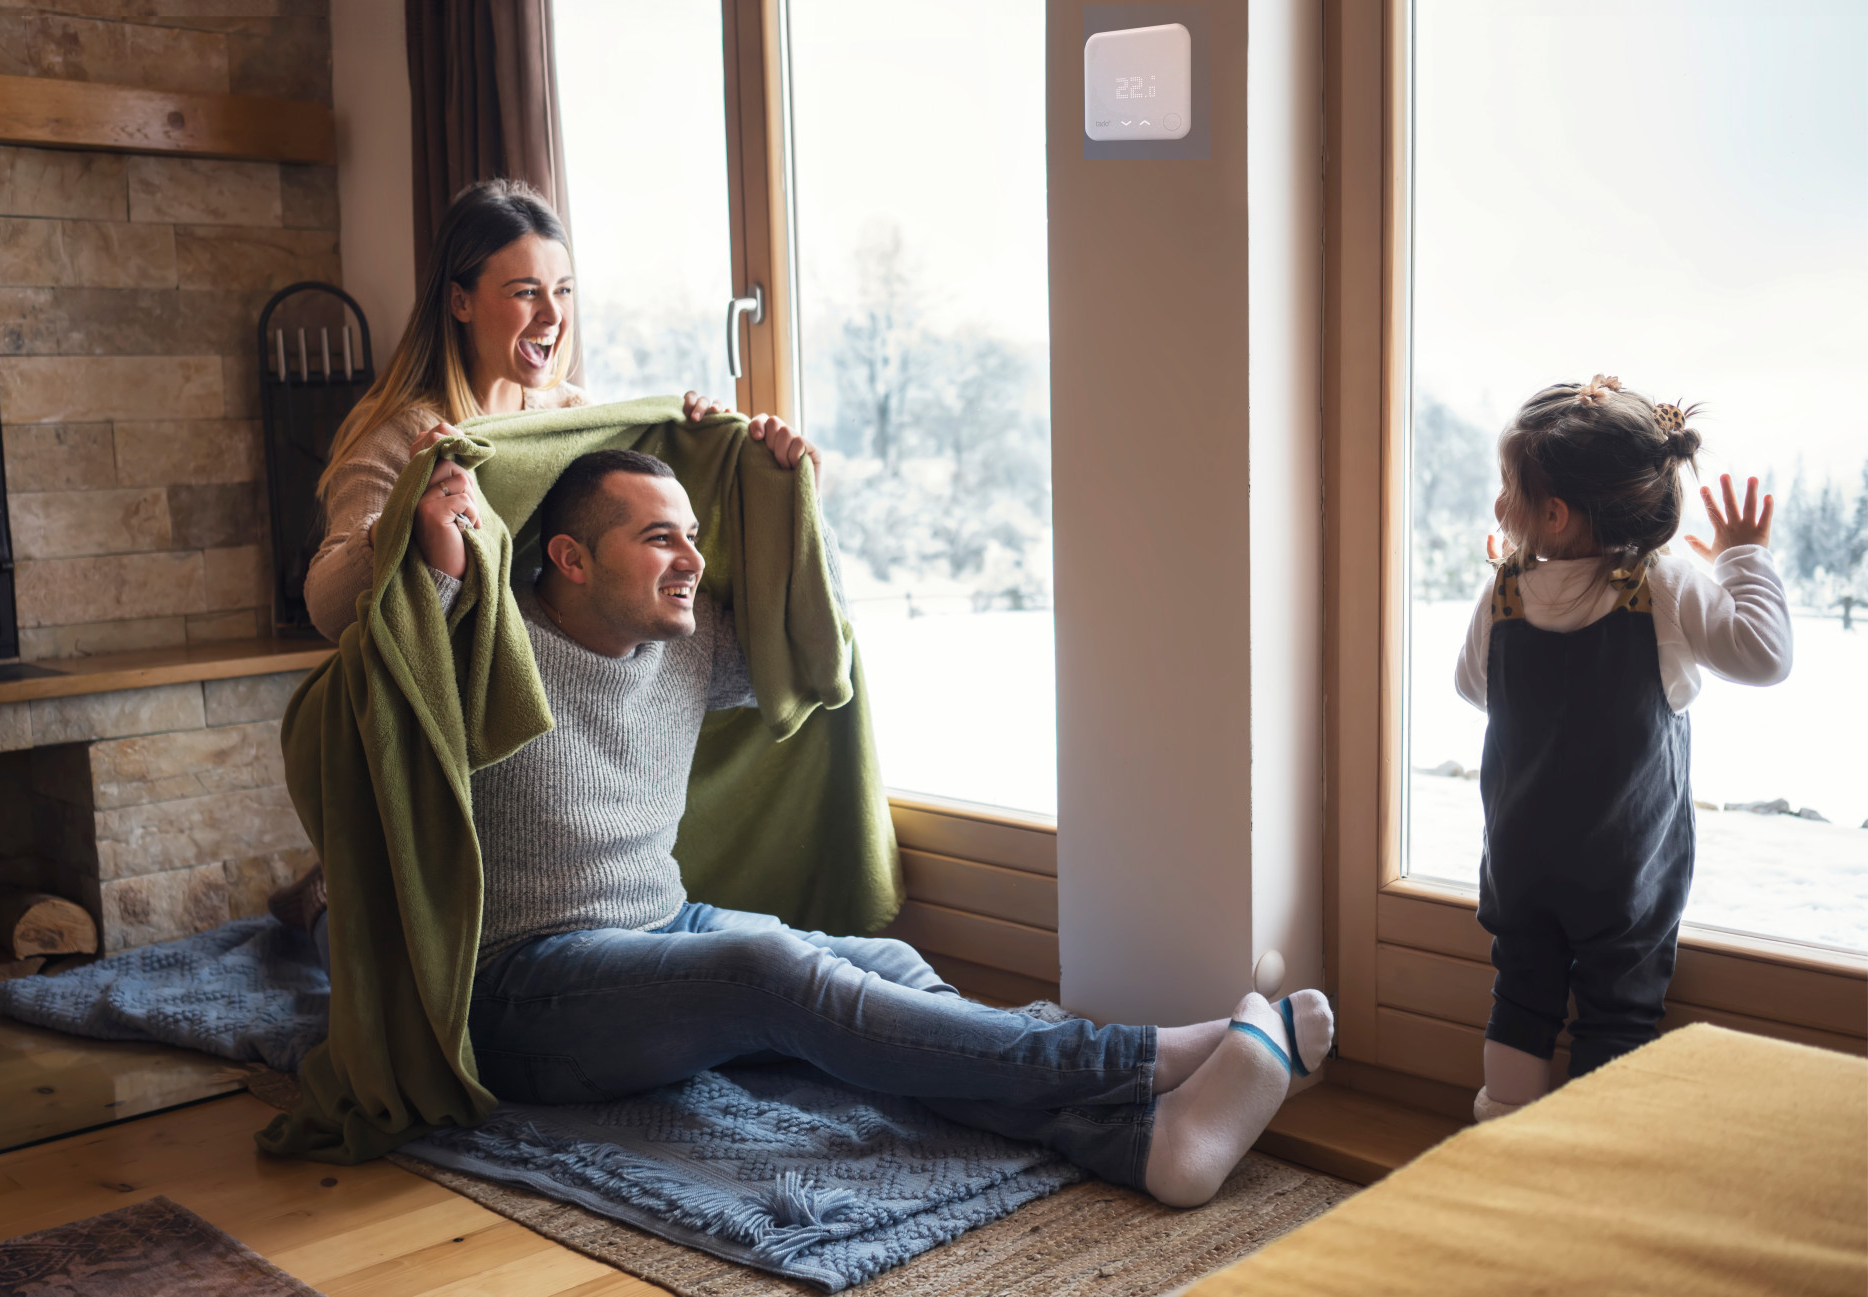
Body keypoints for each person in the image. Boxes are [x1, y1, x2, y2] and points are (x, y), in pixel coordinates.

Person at [289, 446, 1336, 1208]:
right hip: (523, 985)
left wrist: (792, 497)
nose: (691, 560)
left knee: (881, 960)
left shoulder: (689, 647)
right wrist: (436, 547)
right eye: (660, 538)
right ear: (565, 557)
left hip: (658, 929)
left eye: (695, 536)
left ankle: (1144, 1143)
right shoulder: (490, 645)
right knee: (770, 969)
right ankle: (1138, 1059)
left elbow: (813, 649)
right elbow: (395, 658)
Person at [1456, 375, 1792, 1123]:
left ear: (1553, 514)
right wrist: (1742, 558)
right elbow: (1765, 655)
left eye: (1507, 489)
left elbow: (1473, 687)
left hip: (1520, 861)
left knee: (1521, 993)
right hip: (1624, 872)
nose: (1498, 505)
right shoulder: (1663, 586)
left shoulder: (1505, 593)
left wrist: (1524, 591)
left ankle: (1502, 1130)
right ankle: (1598, 1155)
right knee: (1618, 1008)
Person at [303, 177, 814, 644]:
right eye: (526, 292)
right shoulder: (398, 437)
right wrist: (397, 523)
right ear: (460, 301)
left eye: (564, 290)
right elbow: (327, 609)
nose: (553, 315)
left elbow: (652, 537)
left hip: (564, 697)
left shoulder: (574, 416)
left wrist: (707, 445)